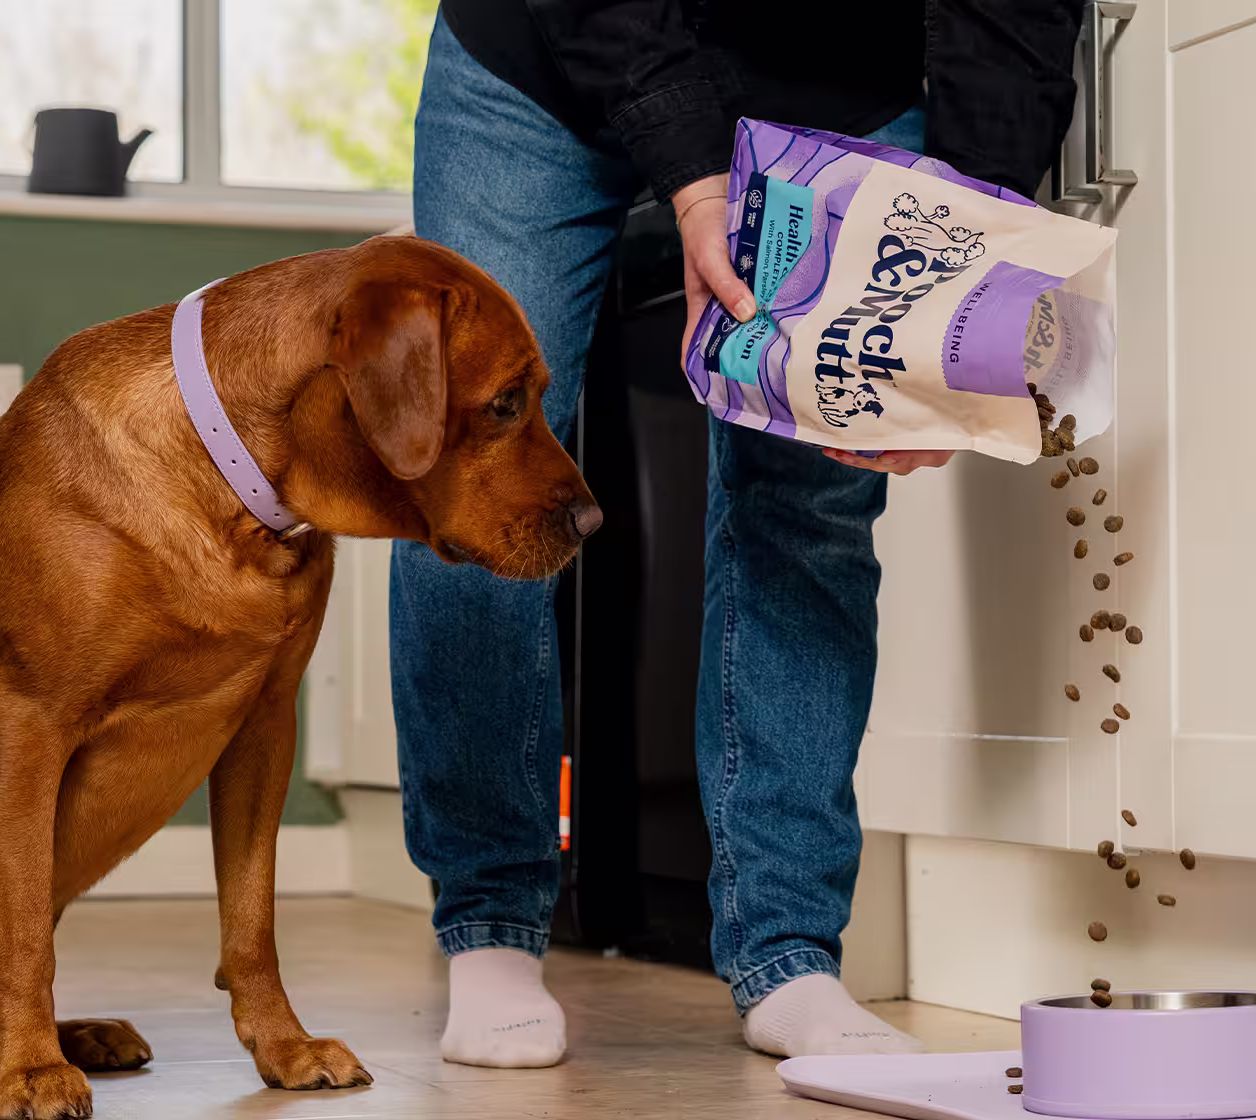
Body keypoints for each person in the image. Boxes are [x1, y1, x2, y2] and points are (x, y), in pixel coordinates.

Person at [393, 0, 1086, 1067]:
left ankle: (788, 956)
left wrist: (951, 312)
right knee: (467, 477)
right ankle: (488, 931)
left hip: (840, 95)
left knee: (808, 502)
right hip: (547, 64)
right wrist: (690, 165)